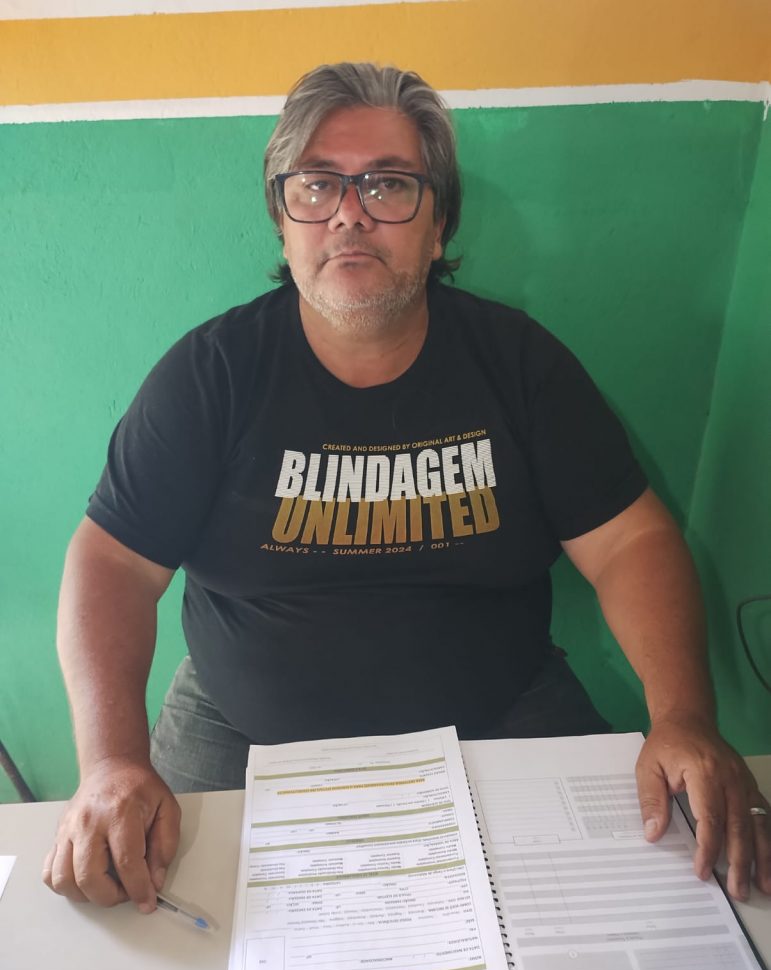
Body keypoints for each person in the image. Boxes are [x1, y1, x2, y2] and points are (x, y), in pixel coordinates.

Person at [43, 62, 769, 916]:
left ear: (438, 223)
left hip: (502, 708)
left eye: (388, 184)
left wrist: (682, 716)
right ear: (282, 219)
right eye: (317, 185)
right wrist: (111, 763)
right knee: (164, 936)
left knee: (644, 914)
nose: (349, 212)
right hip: (239, 724)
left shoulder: (518, 364)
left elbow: (627, 540)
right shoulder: (211, 374)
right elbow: (114, 563)